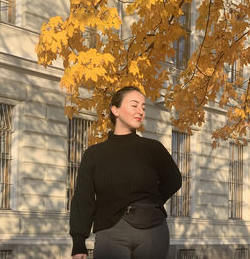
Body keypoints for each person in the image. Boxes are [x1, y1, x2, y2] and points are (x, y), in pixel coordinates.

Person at [70, 86, 182, 259]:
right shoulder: (94, 154)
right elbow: (83, 199)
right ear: (115, 110)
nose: (140, 112)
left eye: (143, 107)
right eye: (134, 105)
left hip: (152, 231)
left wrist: (151, 202)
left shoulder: (152, 149)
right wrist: (79, 242)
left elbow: (174, 180)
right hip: (110, 232)